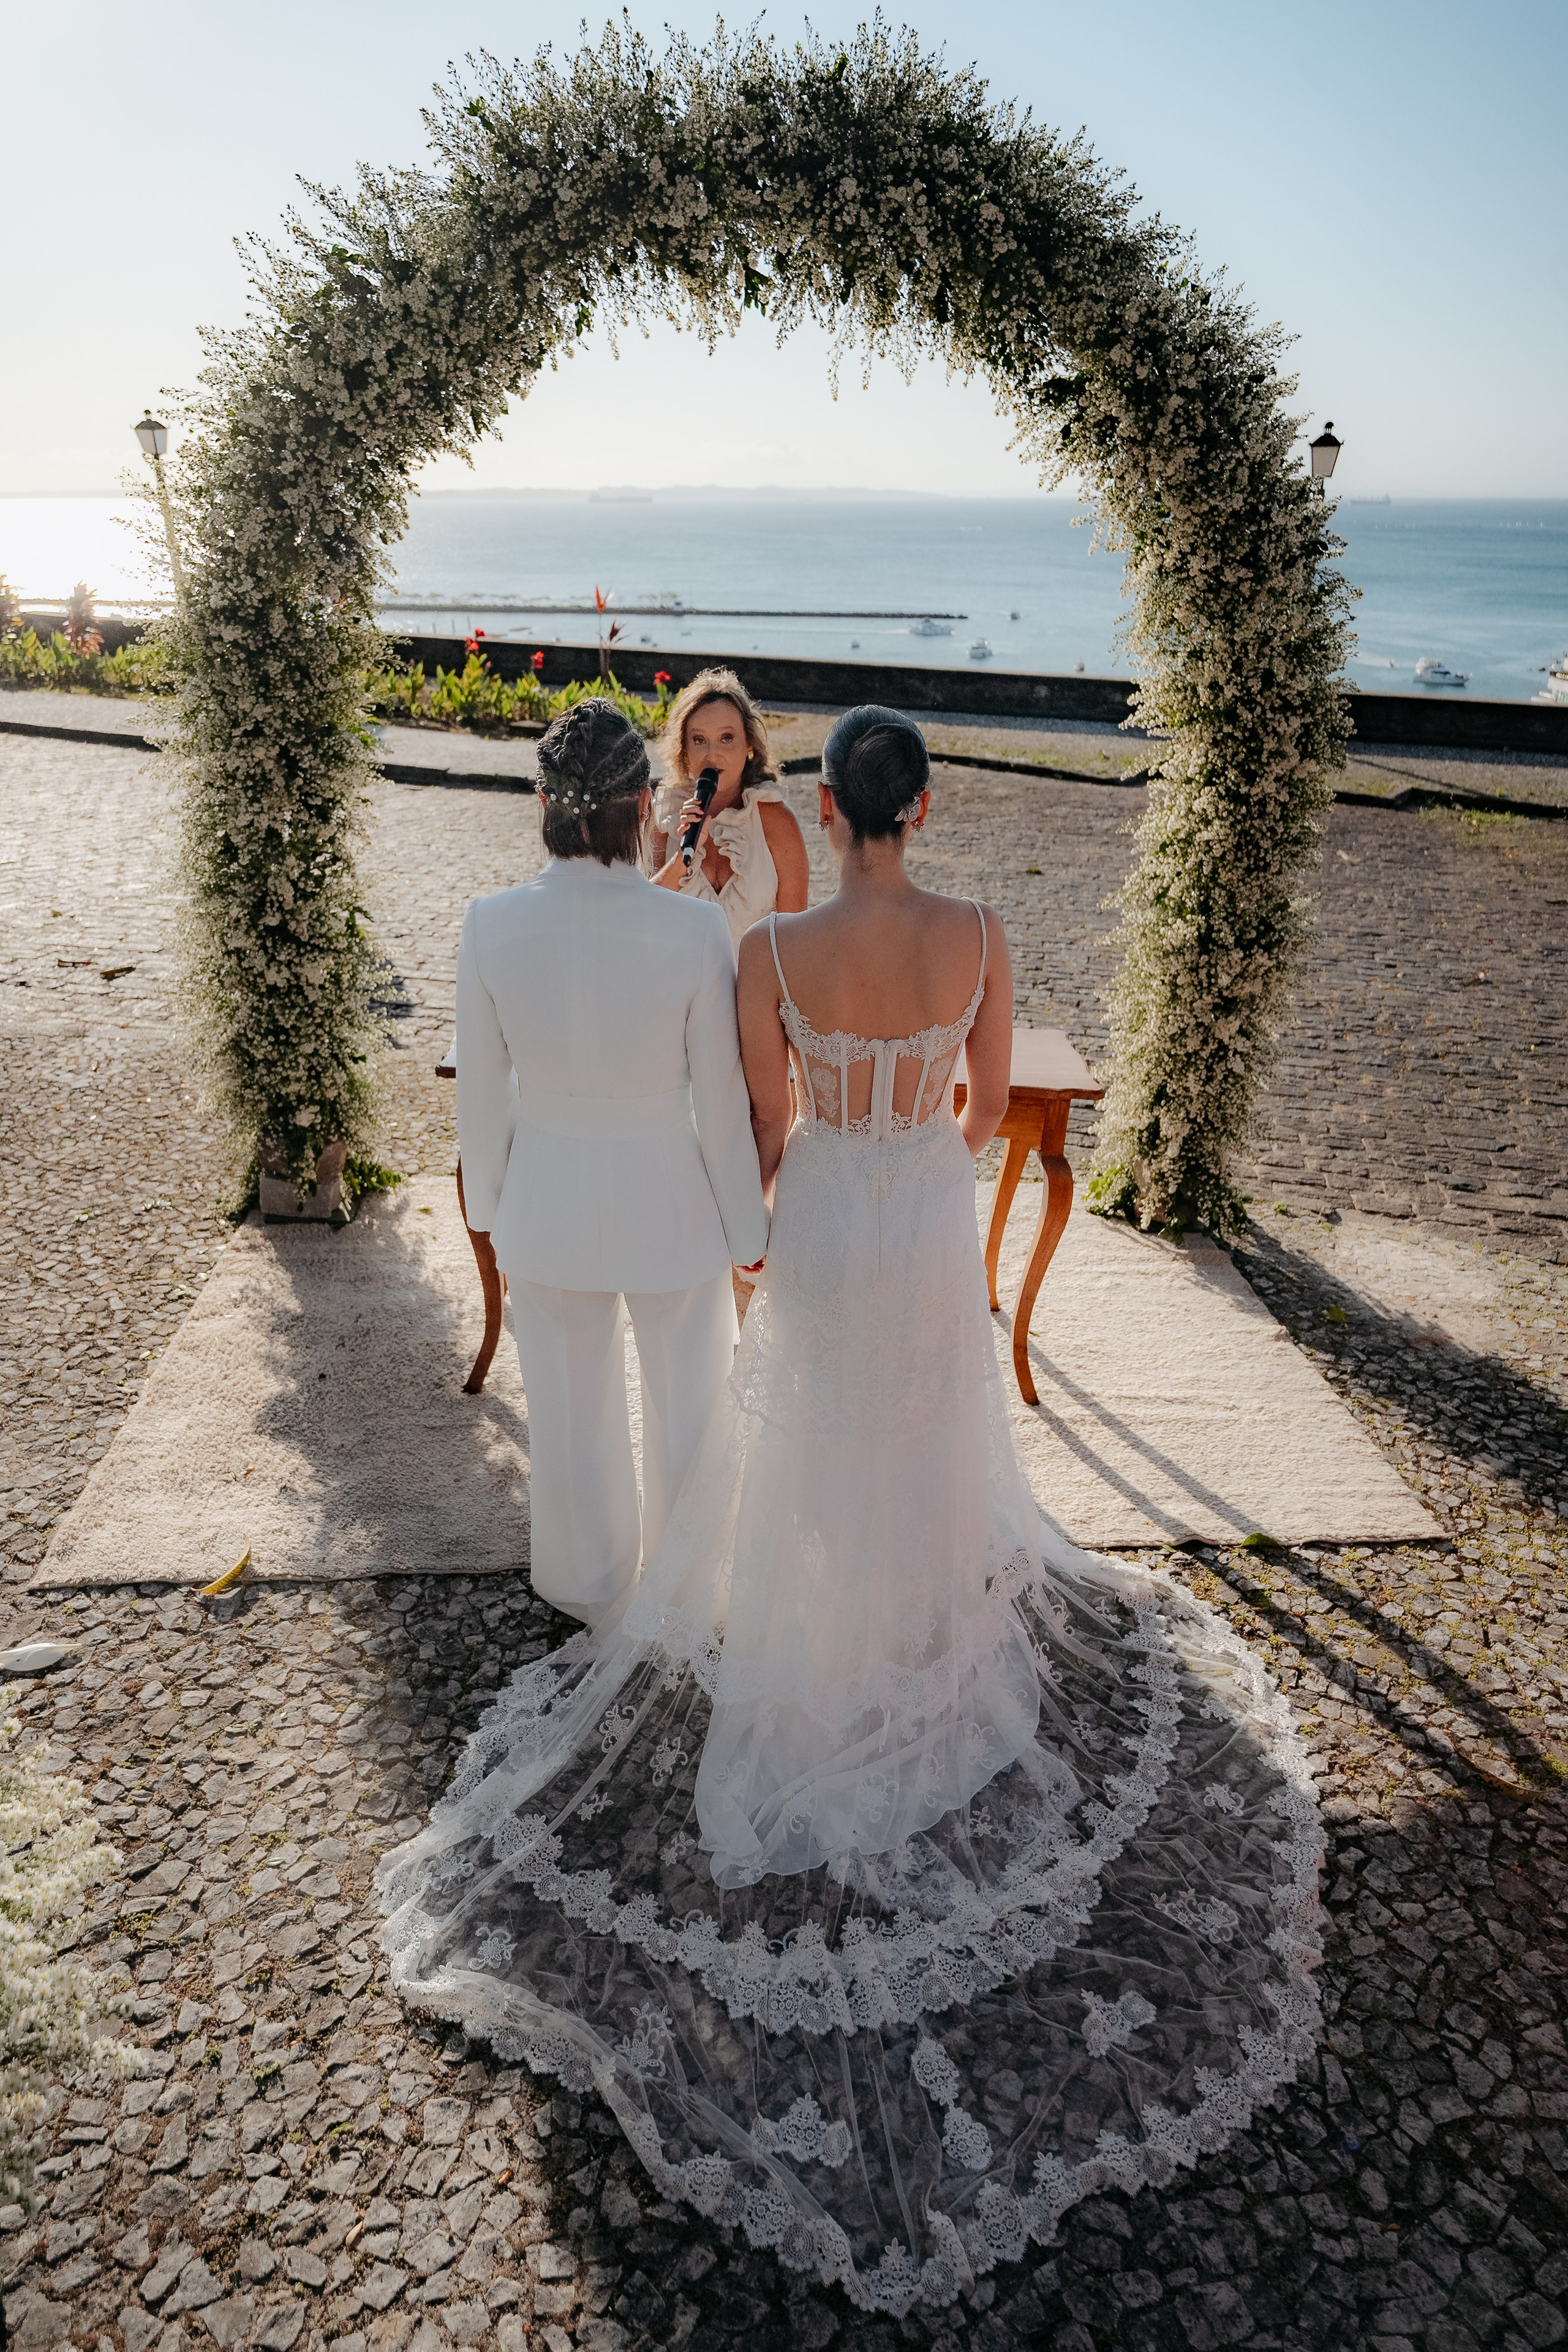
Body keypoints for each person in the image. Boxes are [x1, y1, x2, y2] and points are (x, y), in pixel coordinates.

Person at [382, 707, 1324, 2316]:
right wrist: (908, 1155)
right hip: (916, 1217)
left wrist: (782, 1195)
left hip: (821, 1208)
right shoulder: (978, 933)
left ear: (827, 802)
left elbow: (762, 1114)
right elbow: (976, 1111)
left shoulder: (769, 952)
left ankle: (787, 1619)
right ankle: (906, 1624)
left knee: (806, 1434)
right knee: (922, 1438)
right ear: (929, 804)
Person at [451, 696, 768, 1629]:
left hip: (547, 1205)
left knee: (568, 1407)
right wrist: (748, 1232)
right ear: (644, 804)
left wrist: (492, 1213)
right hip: (670, 1205)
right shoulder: (694, 931)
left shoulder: (489, 923)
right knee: (689, 1407)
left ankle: (586, 1583)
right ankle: (685, 1585)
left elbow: (481, 1100)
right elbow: (720, 1108)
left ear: (543, 803)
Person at [647, 668, 809, 951]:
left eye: (727, 738)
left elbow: (793, 943)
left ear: (749, 745)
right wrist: (681, 861)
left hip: (756, 993)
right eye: (699, 740)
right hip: (680, 993)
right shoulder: (665, 819)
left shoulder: (777, 822)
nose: (713, 754)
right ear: (684, 749)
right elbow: (645, 920)